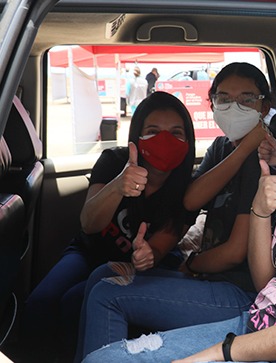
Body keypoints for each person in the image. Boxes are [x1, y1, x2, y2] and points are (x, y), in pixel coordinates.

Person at [82, 73, 276, 363]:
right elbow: (267, 282)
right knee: (103, 353)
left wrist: (219, 352)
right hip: (258, 320)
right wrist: (261, 211)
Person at [77, 62, 272, 360]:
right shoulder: (221, 148)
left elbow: (235, 252)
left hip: (239, 291)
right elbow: (190, 200)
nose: (235, 107)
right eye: (224, 98)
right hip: (211, 281)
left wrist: (192, 264)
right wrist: (240, 149)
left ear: (265, 105)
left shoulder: (261, 159)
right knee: (103, 275)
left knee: (107, 294)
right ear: (212, 102)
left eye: (247, 99)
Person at [21, 91, 196, 363]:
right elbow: (88, 224)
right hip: (88, 252)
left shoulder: (187, 187)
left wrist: (147, 256)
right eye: (153, 131)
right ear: (137, 135)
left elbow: (160, 249)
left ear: (188, 140)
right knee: (40, 303)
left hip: (139, 268)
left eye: (176, 132)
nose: (165, 140)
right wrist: (118, 186)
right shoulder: (114, 160)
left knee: (75, 303)